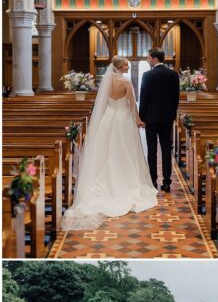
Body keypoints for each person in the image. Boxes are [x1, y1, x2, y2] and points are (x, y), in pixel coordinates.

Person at [60, 56, 157, 231]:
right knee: (125, 151)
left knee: (106, 151)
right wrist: (138, 120)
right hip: (123, 119)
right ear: (120, 66)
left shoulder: (106, 81)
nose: (128, 66)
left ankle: (104, 181)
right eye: (126, 64)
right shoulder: (126, 82)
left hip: (108, 118)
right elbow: (132, 105)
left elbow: (102, 104)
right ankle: (125, 182)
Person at [139, 47, 179, 192]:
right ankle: (167, 182)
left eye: (149, 58)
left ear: (154, 59)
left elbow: (144, 99)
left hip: (151, 118)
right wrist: (172, 115)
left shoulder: (147, 75)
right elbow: (176, 98)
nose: (148, 60)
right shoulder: (173, 75)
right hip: (167, 118)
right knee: (166, 149)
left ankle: (153, 182)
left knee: (152, 150)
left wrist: (141, 118)